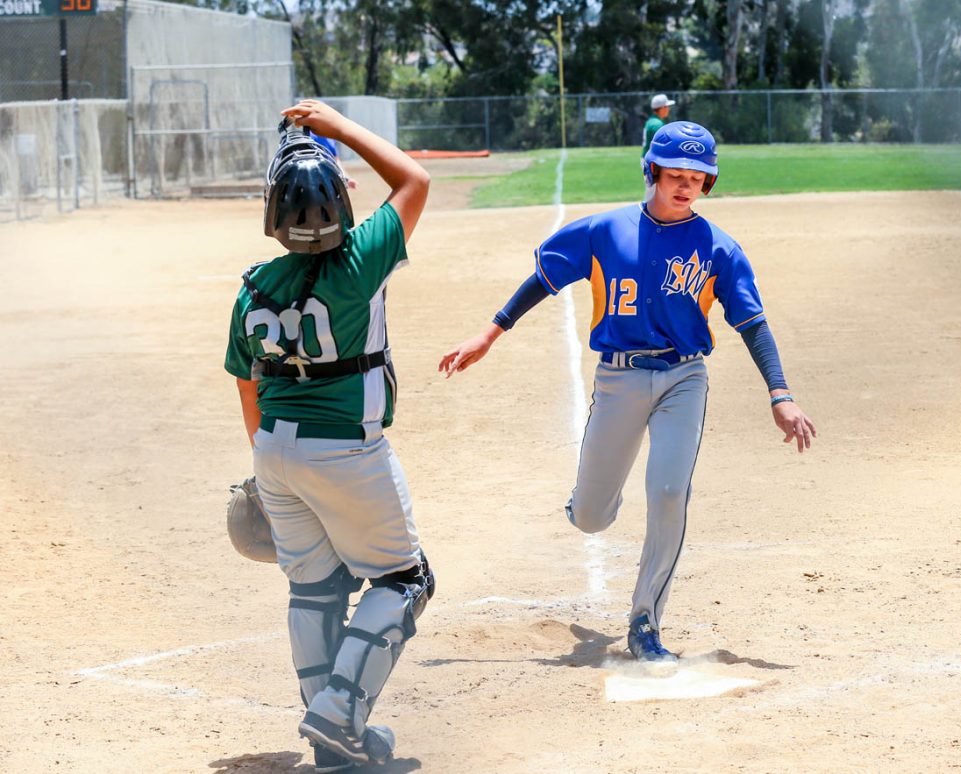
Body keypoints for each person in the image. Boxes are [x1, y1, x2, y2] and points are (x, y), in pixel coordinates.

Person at [438, 121, 816, 663]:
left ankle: (646, 622)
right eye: (674, 175)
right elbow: (544, 282)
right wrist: (491, 331)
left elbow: (752, 323)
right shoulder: (605, 231)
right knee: (591, 517)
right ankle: (587, 501)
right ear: (652, 172)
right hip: (617, 378)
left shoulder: (718, 248)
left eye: (696, 177)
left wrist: (781, 394)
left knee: (667, 493)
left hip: (683, 377)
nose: (685, 186)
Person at [224, 99, 433, 771]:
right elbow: (414, 182)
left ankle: (330, 742)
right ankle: (340, 712)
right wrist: (337, 127)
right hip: (345, 448)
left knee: (315, 588)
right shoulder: (358, 262)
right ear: (341, 205)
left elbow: (246, 383)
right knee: (405, 582)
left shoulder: (253, 288)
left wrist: (263, 467)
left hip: (276, 451)